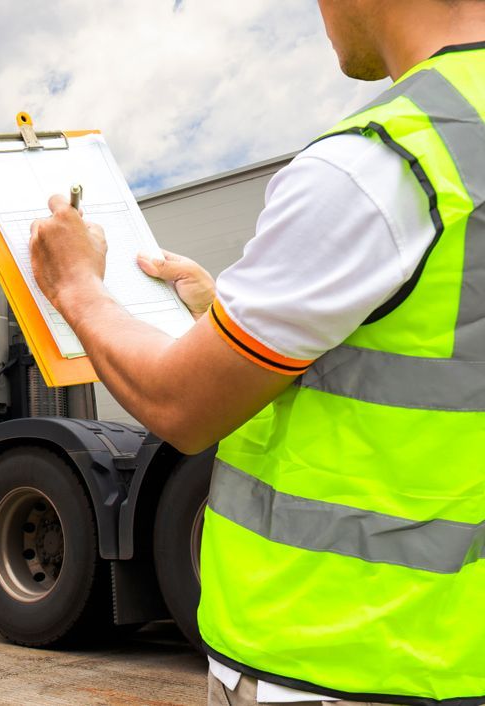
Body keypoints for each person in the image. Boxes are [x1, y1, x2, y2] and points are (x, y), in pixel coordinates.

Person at [28, 1, 485, 704]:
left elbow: (179, 404)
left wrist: (77, 287)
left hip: (342, 661)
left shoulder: (386, 160)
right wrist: (225, 315)